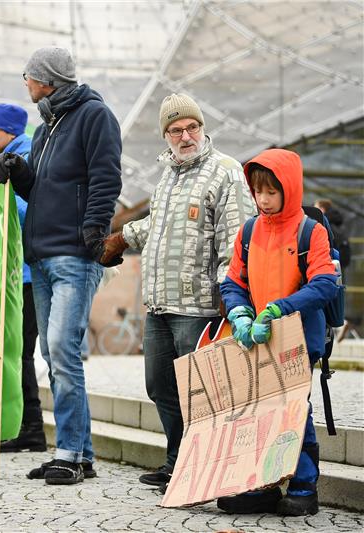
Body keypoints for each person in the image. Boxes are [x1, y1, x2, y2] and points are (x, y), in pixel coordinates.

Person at [100, 93, 257, 488]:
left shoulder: (226, 171)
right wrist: (121, 238)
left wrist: (232, 295)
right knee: (160, 386)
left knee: (202, 391)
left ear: (202, 129)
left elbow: (235, 237)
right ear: (166, 136)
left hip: (199, 305)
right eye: (175, 130)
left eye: (191, 127)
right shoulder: (169, 174)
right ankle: (179, 459)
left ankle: (212, 467)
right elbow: (159, 225)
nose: (184, 136)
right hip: (159, 302)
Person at [0, 46, 122, 484]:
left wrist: (94, 232)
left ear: (46, 79)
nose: (25, 83)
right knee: (51, 352)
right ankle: (79, 454)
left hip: (73, 254)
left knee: (63, 353)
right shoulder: (47, 125)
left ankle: (67, 451)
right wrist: (17, 171)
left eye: (27, 76)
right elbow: (42, 191)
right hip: (42, 254)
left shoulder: (93, 116)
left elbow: (106, 177)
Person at [219, 149, 338, 516]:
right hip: (256, 338)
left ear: (289, 189)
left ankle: (304, 487)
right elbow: (233, 281)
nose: (264, 200)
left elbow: (325, 284)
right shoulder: (249, 230)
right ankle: (263, 485)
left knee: (294, 412)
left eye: (272, 192)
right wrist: (240, 314)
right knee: (258, 412)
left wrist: (278, 309)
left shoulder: (311, 231)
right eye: (258, 192)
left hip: (298, 339)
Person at [0, 103, 46, 453]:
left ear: (9, 131)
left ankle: (31, 427)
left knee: (20, 353)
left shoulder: (21, 157)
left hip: (23, 272)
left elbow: (20, 207)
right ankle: (24, 425)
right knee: (15, 352)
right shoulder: (6, 155)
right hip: (14, 272)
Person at [315, 198, 351, 277]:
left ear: (322, 209)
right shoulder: (338, 223)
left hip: (331, 264)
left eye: (316, 208)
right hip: (339, 262)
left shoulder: (326, 225)